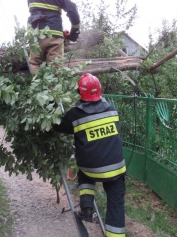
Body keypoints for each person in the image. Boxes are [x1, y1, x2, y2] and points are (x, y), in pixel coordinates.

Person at [53, 73, 126, 237]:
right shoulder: (112, 110)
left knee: (85, 174)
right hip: (116, 168)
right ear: (100, 91)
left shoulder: (74, 115)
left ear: (80, 92)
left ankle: (86, 208)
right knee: (116, 203)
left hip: (91, 168)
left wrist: (52, 104)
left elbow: (57, 126)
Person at [27, 0, 81, 74]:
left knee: (35, 64)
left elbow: (34, 11)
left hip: (36, 36)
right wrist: (74, 32)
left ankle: (37, 89)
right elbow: (72, 11)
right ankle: (54, 89)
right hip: (54, 36)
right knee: (55, 69)